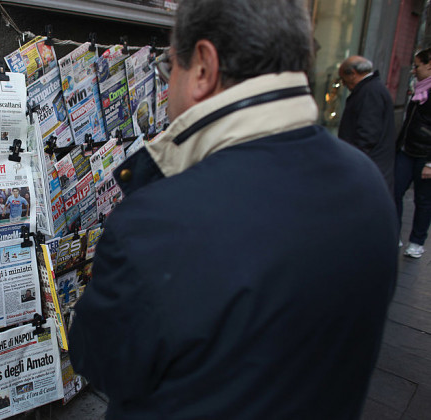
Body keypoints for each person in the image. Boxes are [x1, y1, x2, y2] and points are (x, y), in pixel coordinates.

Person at [68, 1, 398, 418]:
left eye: (172, 69)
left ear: (203, 67)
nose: (168, 90)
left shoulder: (160, 223)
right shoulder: (367, 184)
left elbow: (99, 360)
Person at [338, 55, 396, 194]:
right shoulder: (372, 89)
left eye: (343, 79)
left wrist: (353, 160)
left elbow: (368, 133)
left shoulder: (370, 92)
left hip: (370, 164)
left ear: (353, 74)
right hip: (371, 163)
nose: (344, 84)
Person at [395, 47, 431, 258]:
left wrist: (430, 163)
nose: (413, 70)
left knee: (424, 200)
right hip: (407, 150)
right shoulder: (420, 88)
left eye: (417, 66)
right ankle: (395, 234)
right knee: (395, 190)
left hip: (425, 155)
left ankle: (417, 242)